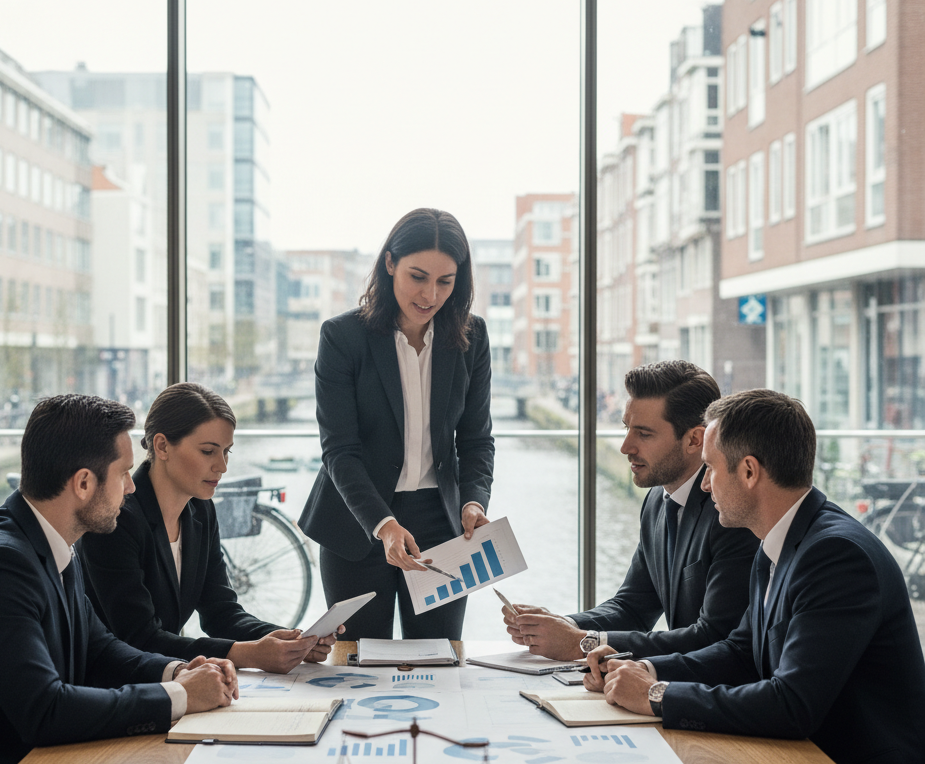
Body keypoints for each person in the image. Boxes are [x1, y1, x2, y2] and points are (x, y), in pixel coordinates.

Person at [0, 394, 238, 764]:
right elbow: (45, 710)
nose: (132, 487)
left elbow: (99, 650)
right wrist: (181, 696)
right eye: (124, 473)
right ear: (83, 483)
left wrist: (179, 671)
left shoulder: (53, 545)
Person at [589, 389, 925, 764]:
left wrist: (658, 694)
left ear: (749, 471)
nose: (707, 486)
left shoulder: (836, 556)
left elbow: (791, 705)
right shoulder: (778, 541)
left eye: (711, 469)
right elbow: (741, 651)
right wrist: (644, 668)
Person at [299, 207, 495, 641]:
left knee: (440, 658)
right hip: (357, 522)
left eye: (446, 281)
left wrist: (474, 502)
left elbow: (477, 440)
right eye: (418, 276)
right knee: (359, 663)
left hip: (440, 524)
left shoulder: (472, 337)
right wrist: (384, 525)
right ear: (390, 264)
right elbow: (339, 451)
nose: (430, 294)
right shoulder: (342, 337)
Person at [505, 361, 759, 661]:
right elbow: (633, 606)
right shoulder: (656, 500)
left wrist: (583, 642)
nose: (625, 446)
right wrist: (563, 625)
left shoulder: (731, 512)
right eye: (627, 428)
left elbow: (715, 637)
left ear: (695, 439)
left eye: (644, 434)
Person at [79, 382, 338, 674]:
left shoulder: (200, 511)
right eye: (208, 451)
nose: (222, 466)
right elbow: (140, 638)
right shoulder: (117, 520)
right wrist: (249, 655)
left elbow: (221, 612)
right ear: (162, 446)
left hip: (164, 674)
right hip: (118, 683)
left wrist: (292, 640)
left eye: (227, 452)